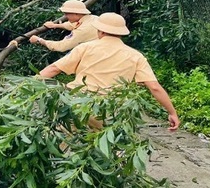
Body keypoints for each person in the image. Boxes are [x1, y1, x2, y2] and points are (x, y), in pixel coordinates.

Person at [38, 12, 180, 131]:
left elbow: (54, 69)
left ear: (101, 31)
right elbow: (154, 87)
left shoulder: (86, 48)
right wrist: (172, 112)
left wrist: (29, 84)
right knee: (112, 148)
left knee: (67, 141)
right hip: (111, 109)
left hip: (78, 103)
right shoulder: (135, 56)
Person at [9, 0, 99, 52]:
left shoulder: (82, 31)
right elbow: (72, 25)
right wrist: (55, 25)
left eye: (67, 14)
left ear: (76, 13)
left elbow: (61, 46)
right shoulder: (92, 18)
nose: (65, 16)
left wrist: (39, 40)